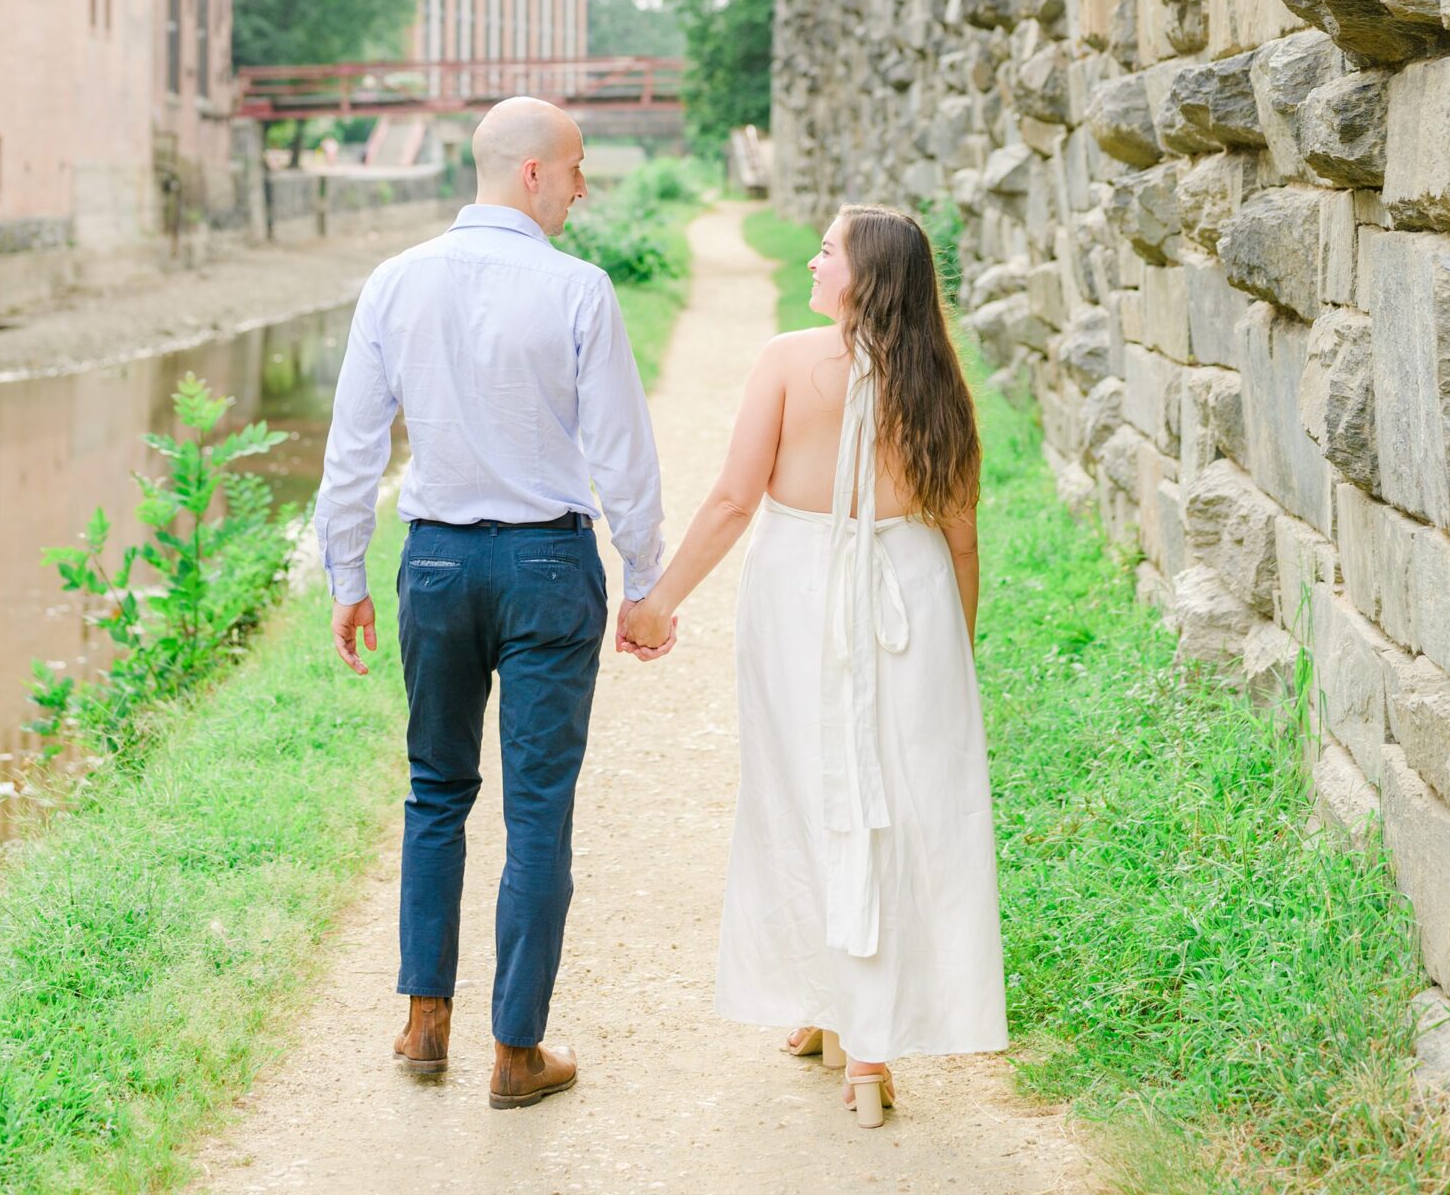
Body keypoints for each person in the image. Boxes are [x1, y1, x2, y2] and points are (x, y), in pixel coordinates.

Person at [315, 96, 670, 1111]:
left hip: (432, 567)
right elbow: (621, 457)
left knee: (435, 790)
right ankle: (514, 1051)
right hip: (545, 568)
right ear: (531, 174)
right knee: (537, 812)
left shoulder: (393, 282)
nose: (581, 189)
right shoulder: (577, 289)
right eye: (575, 170)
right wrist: (641, 580)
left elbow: (353, 450)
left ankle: (424, 1018)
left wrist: (347, 576)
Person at [622, 203, 1007, 1128]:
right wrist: (948, 654)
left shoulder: (790, 360)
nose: (811, 257)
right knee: (893, 804)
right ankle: (848, 1030)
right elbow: (959, 538)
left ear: (863, 276)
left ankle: (852, 1030)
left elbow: (729, 500)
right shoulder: (938, 378)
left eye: (827, 250)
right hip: (909, 595)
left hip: (801, 588)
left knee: (805, 789)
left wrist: (656, 602)